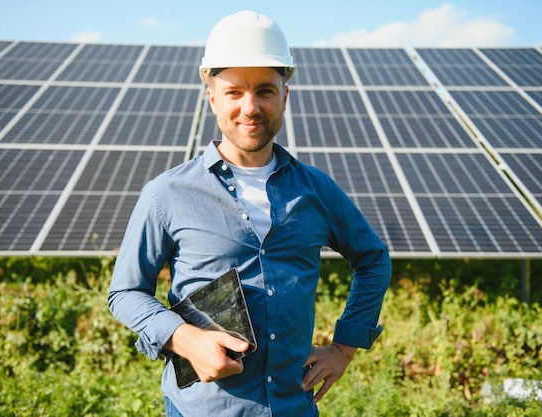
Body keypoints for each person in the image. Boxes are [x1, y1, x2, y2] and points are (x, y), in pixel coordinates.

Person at [108, 10, 391, 417]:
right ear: (212, 97)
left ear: (285, 97)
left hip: (293, 407)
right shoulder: (167, 193)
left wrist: (344, 348)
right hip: (200, 410)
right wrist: (183, 337)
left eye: (265, 91)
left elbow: (373, 259)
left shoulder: (317, 190)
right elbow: (126, 292)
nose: (250, 107)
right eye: (234, 92)